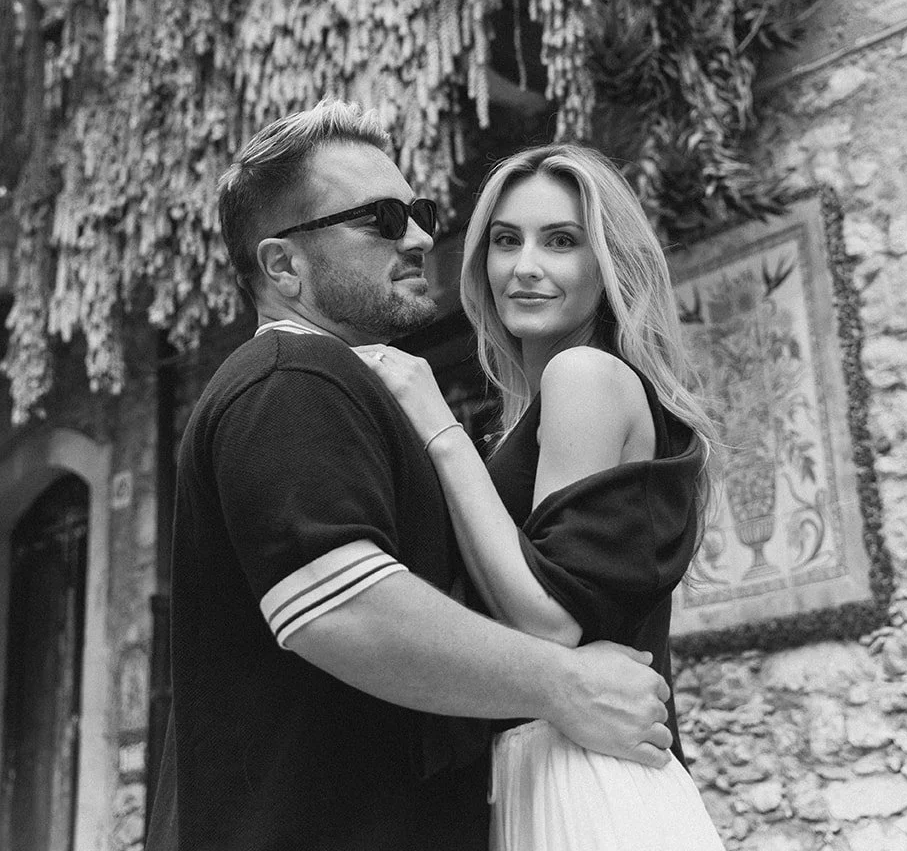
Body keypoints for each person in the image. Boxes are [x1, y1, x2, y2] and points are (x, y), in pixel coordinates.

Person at [145, 104, 674, 851]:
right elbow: (346, 609)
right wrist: (564, 683)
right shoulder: (291, 376)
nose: (422, 237)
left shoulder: (344, 388)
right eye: (381, 219)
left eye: (418, 212)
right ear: (283, 266)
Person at [362, 143, 727, 851]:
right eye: (505, 241)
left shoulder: (584, 376)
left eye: (560, 241)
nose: (524, 266)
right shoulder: (538, 413)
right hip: (550, 767)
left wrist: (438, 428)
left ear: (607, 262)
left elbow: (550, 624)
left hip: (583, 779)